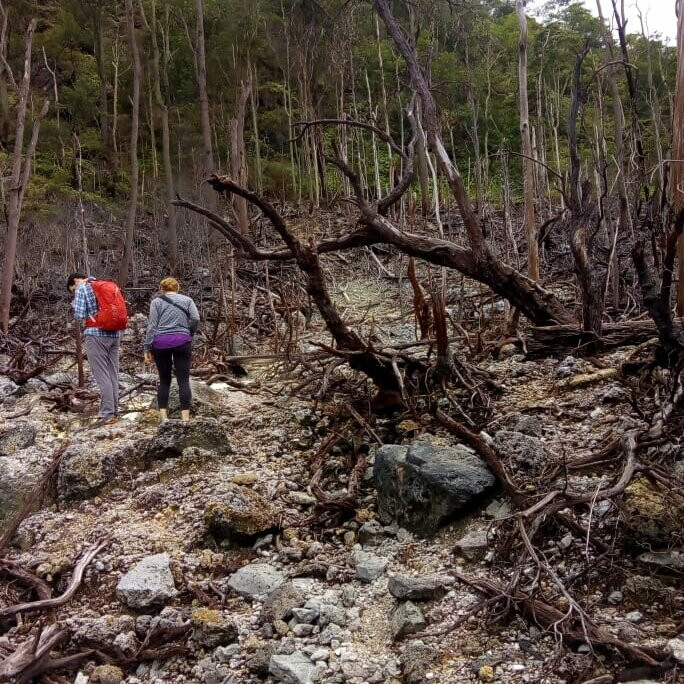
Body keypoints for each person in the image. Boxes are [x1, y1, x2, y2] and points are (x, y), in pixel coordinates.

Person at [67, 273, 128, 424]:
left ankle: (107, 414)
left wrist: (75, 305)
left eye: (72, 289)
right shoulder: (104, 284)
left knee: (101, 375)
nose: (74, 291)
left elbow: (79, 316)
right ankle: (114, 411)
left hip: (96, 335)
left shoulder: (82, 288)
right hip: (115, 335)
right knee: (113, 373)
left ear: (75, 281)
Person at [144, 277, 200, 422]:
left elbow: (151, 326)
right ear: (178, 287)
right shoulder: (187, 300)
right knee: (183, 381)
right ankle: (185, 418)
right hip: (182, 341)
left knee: (164, 381)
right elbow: (195, 318)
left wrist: (147, 347)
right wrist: (189, 332)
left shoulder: (156, 302)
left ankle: (164, 417)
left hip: (160, 343)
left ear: (162, 289)